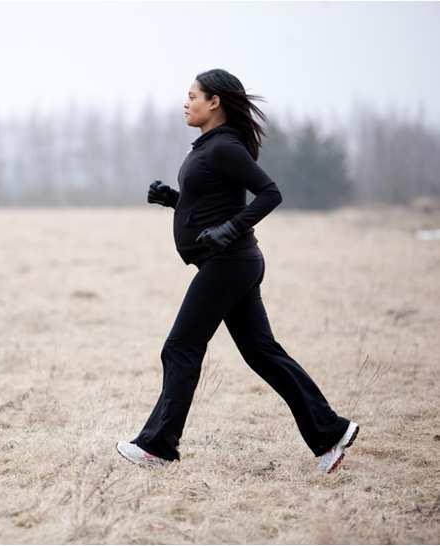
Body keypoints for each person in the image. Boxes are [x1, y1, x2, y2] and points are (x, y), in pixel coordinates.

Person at [116, 68, 359, 473]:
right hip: (233, 263)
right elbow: (211, 204)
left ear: (215, 102)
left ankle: (157, 446)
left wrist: (229, 231)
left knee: (180, 347)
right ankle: (330, 433)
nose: (186, 102)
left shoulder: (225, 148)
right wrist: (172, 199)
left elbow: (270, 193)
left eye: (193, 96)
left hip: (229, 263)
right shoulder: (210, 147)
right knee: (262, 352)